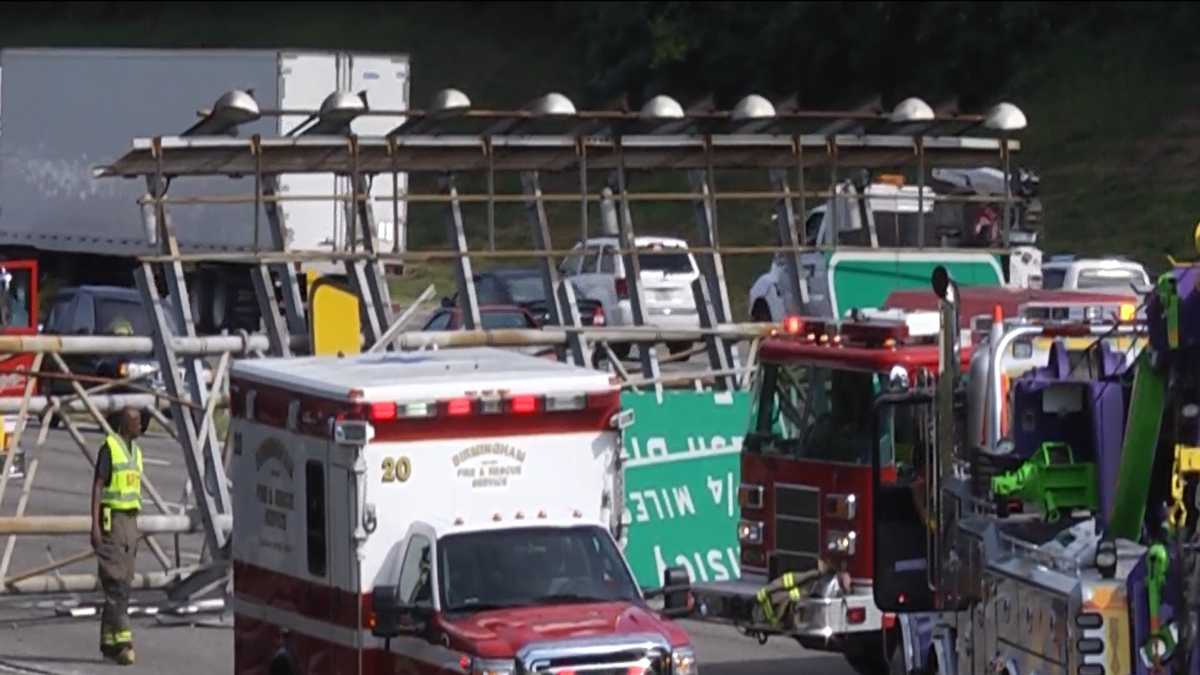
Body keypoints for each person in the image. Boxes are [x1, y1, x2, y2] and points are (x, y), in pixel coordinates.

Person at [90, 407, 144, 666]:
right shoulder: (109, 448)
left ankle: (108, 643)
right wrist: (95, 526)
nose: (140, 427)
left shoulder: (136, 452)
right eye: (136, 423)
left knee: (125, 580)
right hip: (113, 522)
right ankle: (123, 640)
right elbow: (98, 485)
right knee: (116, 582)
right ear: (125, 425)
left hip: (131, 522)